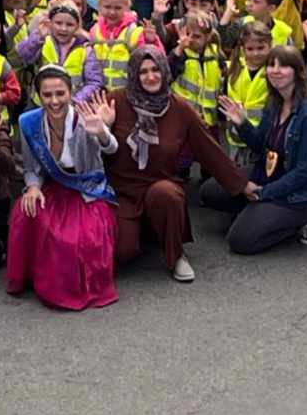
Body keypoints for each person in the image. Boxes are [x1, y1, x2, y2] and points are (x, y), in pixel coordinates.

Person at [104, 43, 247, 282]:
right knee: (123, 252)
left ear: (164, 70)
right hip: (122, 192)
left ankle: (176, 255)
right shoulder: (115, 101)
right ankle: (147, 231)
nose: (150, 76)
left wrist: (241, 186)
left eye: (155, 69)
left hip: (160, 185)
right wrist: (102, 129)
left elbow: (209, 149)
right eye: (143, 71)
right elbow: (93, 147)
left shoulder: (179, 107)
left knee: (167, 194)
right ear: (133, 75)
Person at [3, 65, 120, 308]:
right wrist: (33, 187)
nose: (54, 101)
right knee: (25, 214)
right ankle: (31, 276)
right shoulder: (28, 122)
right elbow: (30, 168)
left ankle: (69, 288)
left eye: (60, 94)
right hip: (53, 187)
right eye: (47, 95)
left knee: (74, 239)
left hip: (86, 190)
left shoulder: (84, 118)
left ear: (71, 92)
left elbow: (112, 149)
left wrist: (102, 134)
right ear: (38, 96)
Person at [210, 46, 307, 252]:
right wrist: (242, 124)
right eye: (271, 65)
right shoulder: (274, 103)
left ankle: (304, 221)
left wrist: (262, 193)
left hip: (304, 192)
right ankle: (261, 215)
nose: (275, 70)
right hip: (272, 172)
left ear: (299, 72)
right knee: (212, 192)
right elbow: (261, 146)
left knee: (240, 240)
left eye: (283, 65)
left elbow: (306, 172)